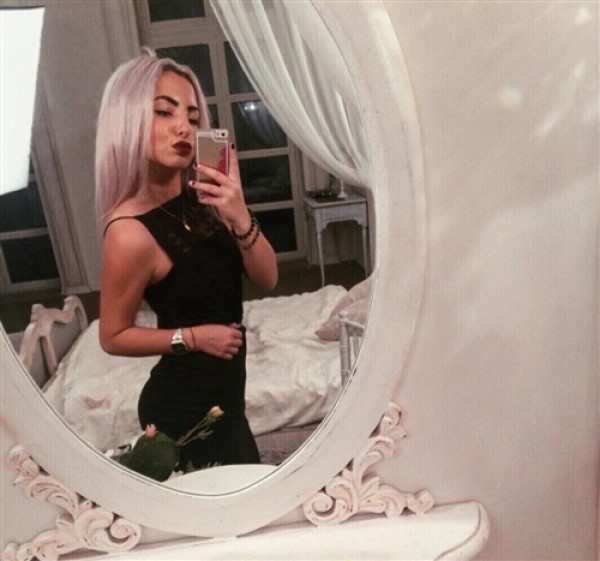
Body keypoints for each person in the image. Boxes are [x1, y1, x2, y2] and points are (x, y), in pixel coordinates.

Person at [95, 49, 278, 471]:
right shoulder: (129, 230)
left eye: (193, 118)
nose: (183, 127)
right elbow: (112, 335)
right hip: (183, 406)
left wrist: (238, 213)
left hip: (226, 397)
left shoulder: (203, 200)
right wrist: (193, 338)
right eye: (164, 112)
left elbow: (268, 278)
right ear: (128, 119)